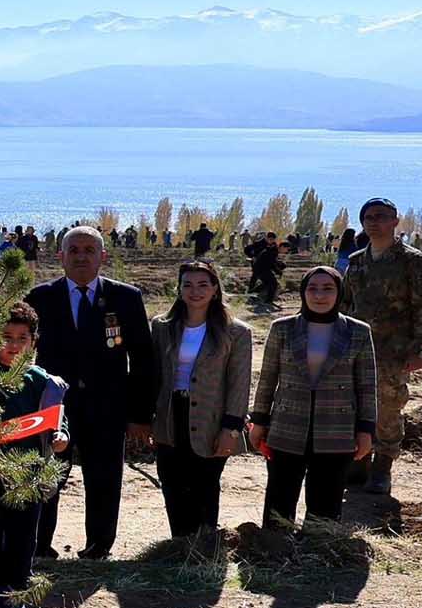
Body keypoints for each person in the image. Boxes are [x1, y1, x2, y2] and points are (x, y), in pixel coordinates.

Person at [24, 226, 155, 560]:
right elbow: (22, 354)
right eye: (74, 250)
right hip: (54, 408)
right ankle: (38, 545)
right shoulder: (39, 297)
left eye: (89, 250)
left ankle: (98, 546)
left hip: (107, 407)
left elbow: (143, 359)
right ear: (61, 256)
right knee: (47, 477)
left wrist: (140, 415)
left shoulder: (126, 298)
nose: (81, 257)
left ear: (102, 257)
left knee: (104, 478)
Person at [250, 267, 377, 528]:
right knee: (279, 500)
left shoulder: (359, 332)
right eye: (313, 288)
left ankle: (317, 546)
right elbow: (267, 379)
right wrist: (259, 421)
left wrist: (366, 430)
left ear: (339, 292)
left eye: (328, 288)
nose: (319, 295)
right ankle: (275, 545)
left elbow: (366, 386)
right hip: (287, 426)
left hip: (336, 430)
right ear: (303, 292)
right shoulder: (282, 328)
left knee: (326, 504)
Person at [148, 261, 252, 540]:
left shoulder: (236, 332)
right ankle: (179, 544)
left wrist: (231, 428)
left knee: (204, 483)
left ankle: (204, 545)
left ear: (215, 289)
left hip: (211, 419)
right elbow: (154, 375)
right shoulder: (162, 326)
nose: (195, 291)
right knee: (172, 482)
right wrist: (148, 419)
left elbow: (239, 385)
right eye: (188, 285)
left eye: (203, 284)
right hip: (171, 415)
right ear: (179, 289)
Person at [341, 197, 422, 495]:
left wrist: (421, 349)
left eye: (381, 216)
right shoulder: (357, 261)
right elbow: (345, 304)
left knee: (388, 407)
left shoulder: (414, 262)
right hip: (357, 348)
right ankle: (359, 461)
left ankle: (382, 467)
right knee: (354, 404)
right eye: (368, 217)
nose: (374, 222)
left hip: (393, 351)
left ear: (395, 222)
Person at [0, 304, 69, 608]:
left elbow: (56, 417)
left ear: (33, 342)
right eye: (6, 337)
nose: (14, 345)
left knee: (23, 537)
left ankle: (16, 593)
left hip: (28, 474)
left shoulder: (40, 381)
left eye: (22, 338)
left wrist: (61, 436)